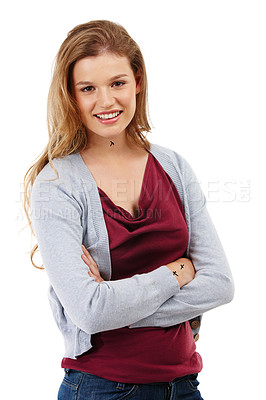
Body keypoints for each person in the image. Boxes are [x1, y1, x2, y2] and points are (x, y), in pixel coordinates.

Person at [24, 20, 234, 400]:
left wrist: (115, 307)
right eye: (88, 88)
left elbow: (220, 284)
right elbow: (89, 312)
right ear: (71, 96)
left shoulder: (174, 167)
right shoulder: (57, 184)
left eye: (117, 83)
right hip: (101, 388)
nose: (106, 102)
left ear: (137, 80)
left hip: (184, 386)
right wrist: (177, 272)